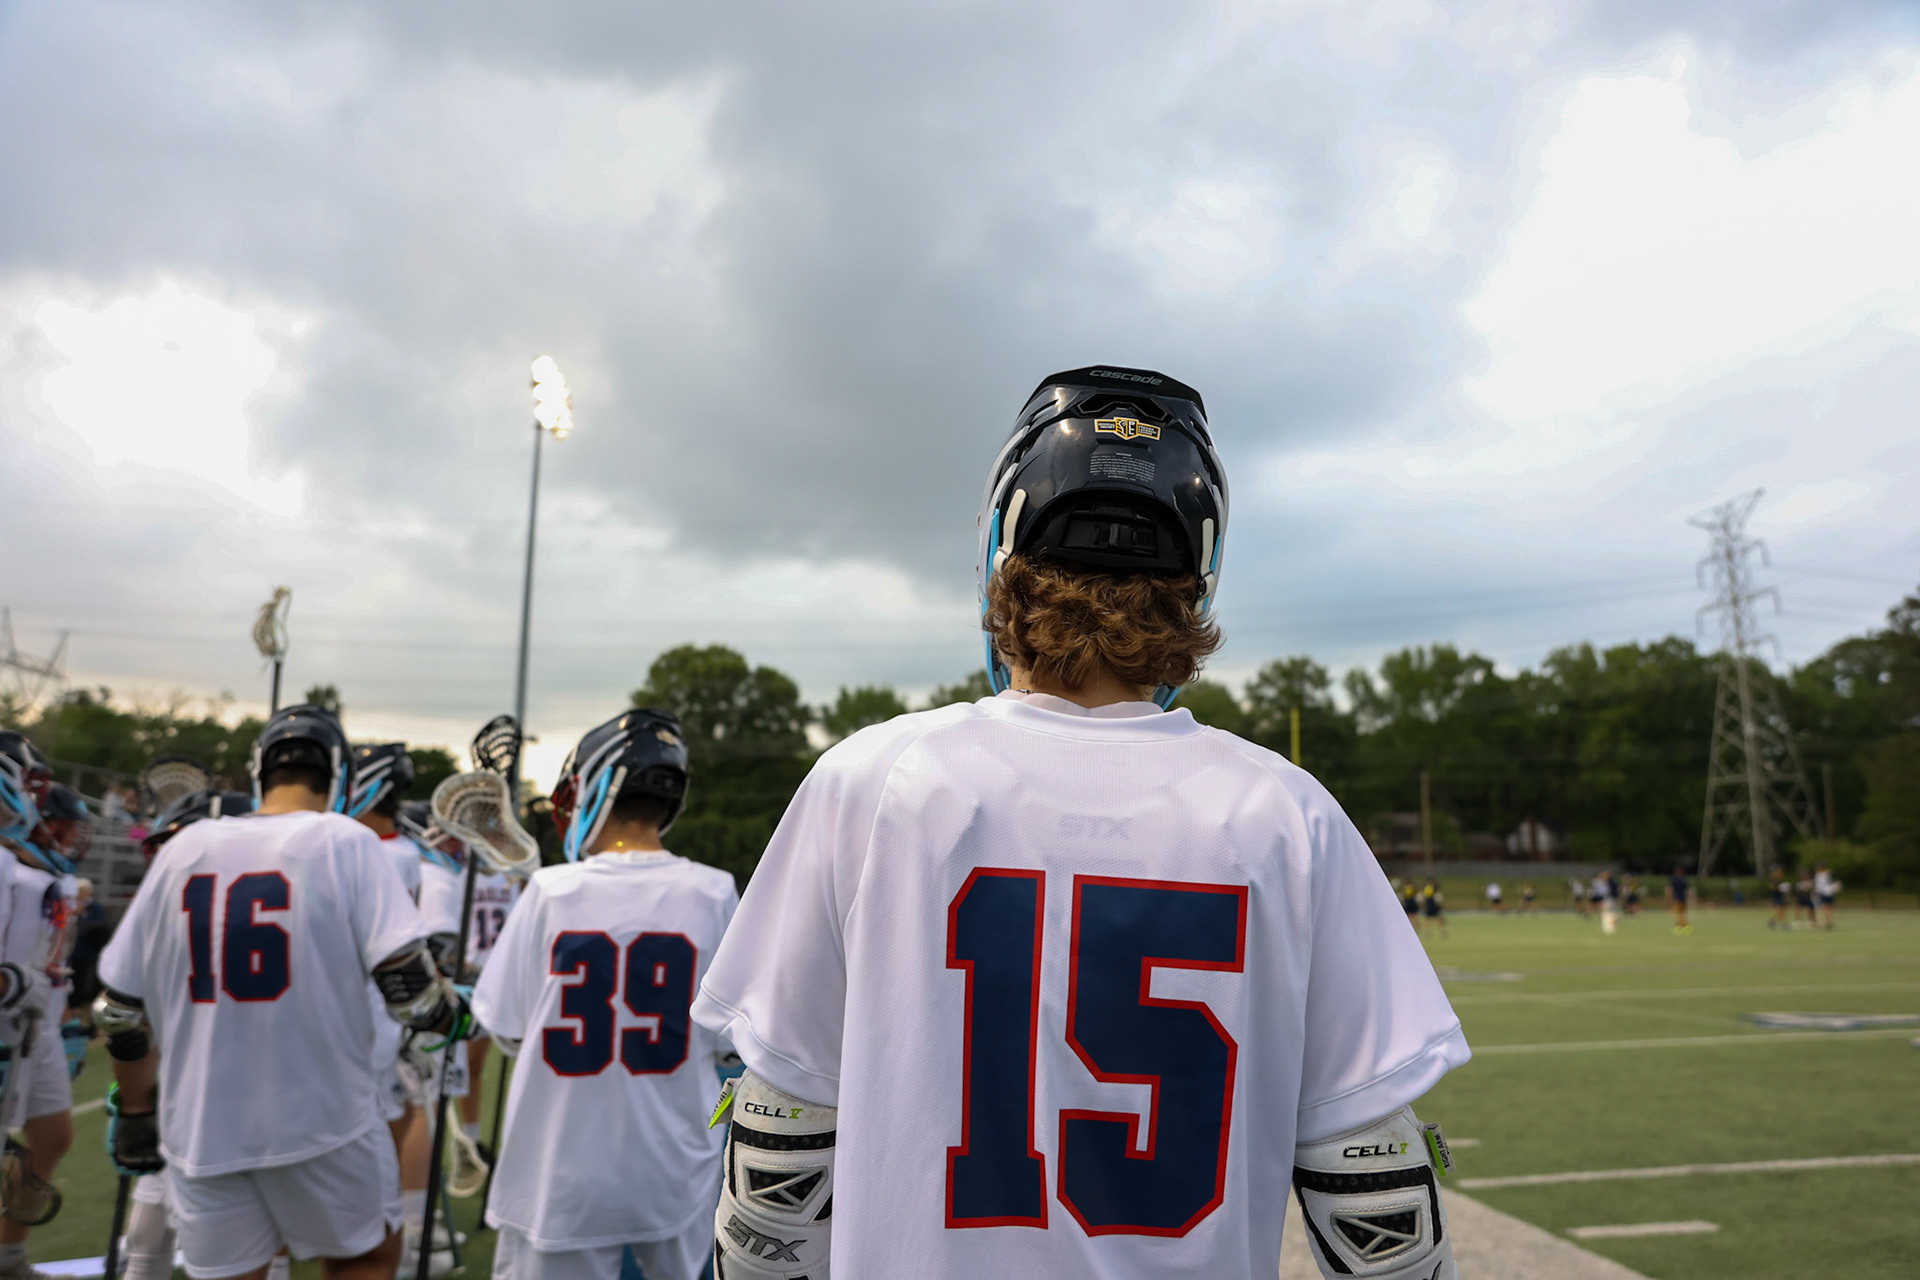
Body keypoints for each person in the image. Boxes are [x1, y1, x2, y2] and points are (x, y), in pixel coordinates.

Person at [690, 366, 1469, 1279]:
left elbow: (778, 1167)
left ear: (1000, 549)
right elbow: (1376, 1199)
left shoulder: (871, 781)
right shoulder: (1287, 813)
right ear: (1198, 577)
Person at [94, 704, 470, 1280]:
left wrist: (139, 1111)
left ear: (258, 769)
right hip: (324, 1118)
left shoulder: (184, 848)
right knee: (366, 1256)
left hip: (203, 1128)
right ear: (339, 773)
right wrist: (462, 1016)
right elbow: (413, 995)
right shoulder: (346, 840)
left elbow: (119, 1011)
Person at [475, 709, 738, 1280]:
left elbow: (508, 1026)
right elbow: (727, 1043)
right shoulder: (714, 892)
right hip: (674, 1163)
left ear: (595, 785)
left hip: (560, 1170)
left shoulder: (551, 890)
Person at [118, 787, 254, 1280]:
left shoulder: (171, 905)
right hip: (256, 1094)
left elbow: (124, 1012)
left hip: (184, 1089)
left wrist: (133, 1101)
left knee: (157, 1216)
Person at [348, 745, 465, 1270]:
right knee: (399, 1115)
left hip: (367, 1013)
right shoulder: (407, 854)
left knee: (389, 1118)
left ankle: (404, 1227)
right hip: (397, 1011)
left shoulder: (362, 850)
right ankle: (409, 1225)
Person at [0, 741, 82, 1275]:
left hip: (31, 1021)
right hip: (11, 1018)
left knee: (53, 1132)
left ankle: (8, 1255)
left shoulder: (22, 862)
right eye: (30, 781)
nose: (36, 796)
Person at [1813, 862, 1840, 929]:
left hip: (1827, 892)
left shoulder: (1825, 874)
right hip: (1824, 892)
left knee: (1827, 907)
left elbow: (1823, 884)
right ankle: (1828, 921)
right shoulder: (1819, 874)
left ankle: (1828, 921)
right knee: (1826, 907)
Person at [1667, 864, 1692, 935]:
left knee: (1679, 913)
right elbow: (1688, 890)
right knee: (1680, 913)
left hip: (1677, 898)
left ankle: (1685, 925)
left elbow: (1669, 889)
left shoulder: (1674, 879)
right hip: (1681, 898)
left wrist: (1668, 898)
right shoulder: (1684, 879)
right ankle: (1677, 926)